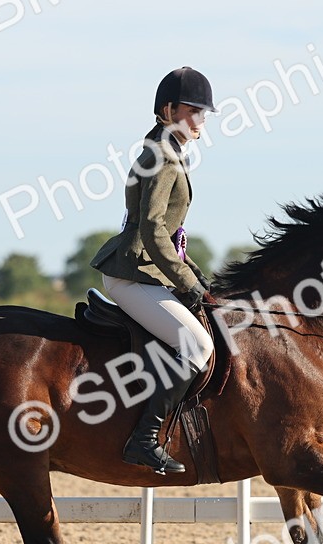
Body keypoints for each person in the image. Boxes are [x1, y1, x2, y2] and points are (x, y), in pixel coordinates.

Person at [90, 66, 217, 474]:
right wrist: (185, 280)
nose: (201, 119)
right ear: (168, 110)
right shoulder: (162, 156)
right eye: (193, 110)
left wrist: (196, 276)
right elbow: (153, 228)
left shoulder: (167, 149)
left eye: (204, 111)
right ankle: (144, 440)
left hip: (146, 269)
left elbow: (172, 235)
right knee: (198, 346)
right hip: (133, 273)